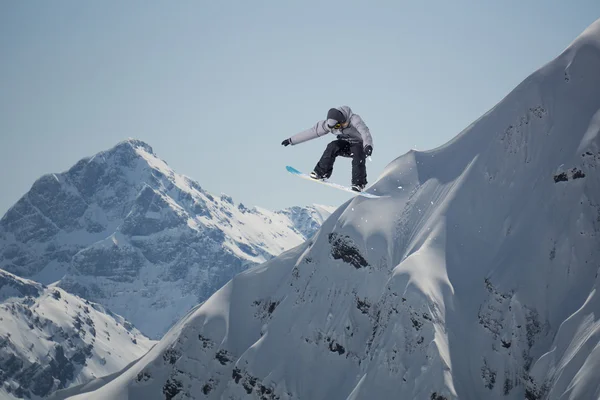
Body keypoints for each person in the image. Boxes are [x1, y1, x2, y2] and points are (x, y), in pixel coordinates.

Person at [281, 106, 373, 192]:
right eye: (334, 128)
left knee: (357, 151)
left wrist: (368, 145)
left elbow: (365, 132)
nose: (337, 129)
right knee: (333, 146)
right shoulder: (327, 125)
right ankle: (321, 172)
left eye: (337, 126)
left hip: (361, 146)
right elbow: (311, 132)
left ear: (341, 121)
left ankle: (359, 183)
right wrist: (291, 140)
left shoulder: (354, 119)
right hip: (346, 144)